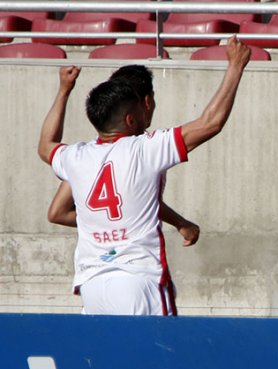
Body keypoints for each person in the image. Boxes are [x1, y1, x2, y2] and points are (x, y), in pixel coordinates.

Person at [37, 36, 252, 315]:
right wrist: (235, 66)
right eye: (145, 103)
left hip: (92, 283)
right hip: (138, 278)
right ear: (132, 116)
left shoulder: (77, 156)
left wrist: (64, 90)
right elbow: (210, 123)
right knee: (159, 357)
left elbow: (45, 146)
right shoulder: (145, 148)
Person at [47, 65, 201, 248]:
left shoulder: (87, 155)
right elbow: (211, 124)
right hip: (135, 262)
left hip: (96, 264)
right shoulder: (148, 149)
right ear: (147, 101)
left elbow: (57, 213)